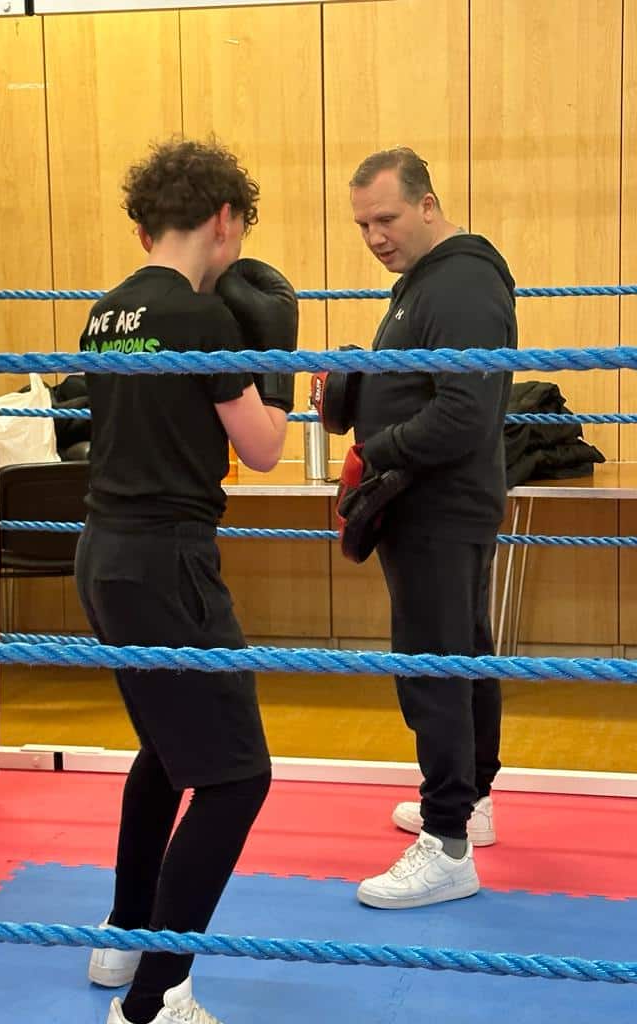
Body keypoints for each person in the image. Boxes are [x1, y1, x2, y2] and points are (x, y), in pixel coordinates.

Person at [75, 137, 298, 1024]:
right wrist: (275, 360)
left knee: (169, 753)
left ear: (142, 229)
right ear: (224, 219)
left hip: (105, 553)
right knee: (238, 776)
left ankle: (125, 931)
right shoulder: (206, 320)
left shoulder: (103, 313)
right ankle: (157, 997)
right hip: (169, 559)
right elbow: (266, 449)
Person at [339, 147, 517, 909]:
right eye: (363, 224)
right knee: (458, 654)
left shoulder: (465, 283)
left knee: (434, 667)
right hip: (424, 505)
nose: (375, 235)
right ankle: (468, 802)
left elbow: (464, 412)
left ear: (428, 204)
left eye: (386, 218)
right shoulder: (421, 286)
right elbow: (420, 388)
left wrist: (373, 451)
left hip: (441, 506)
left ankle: (446, 844)